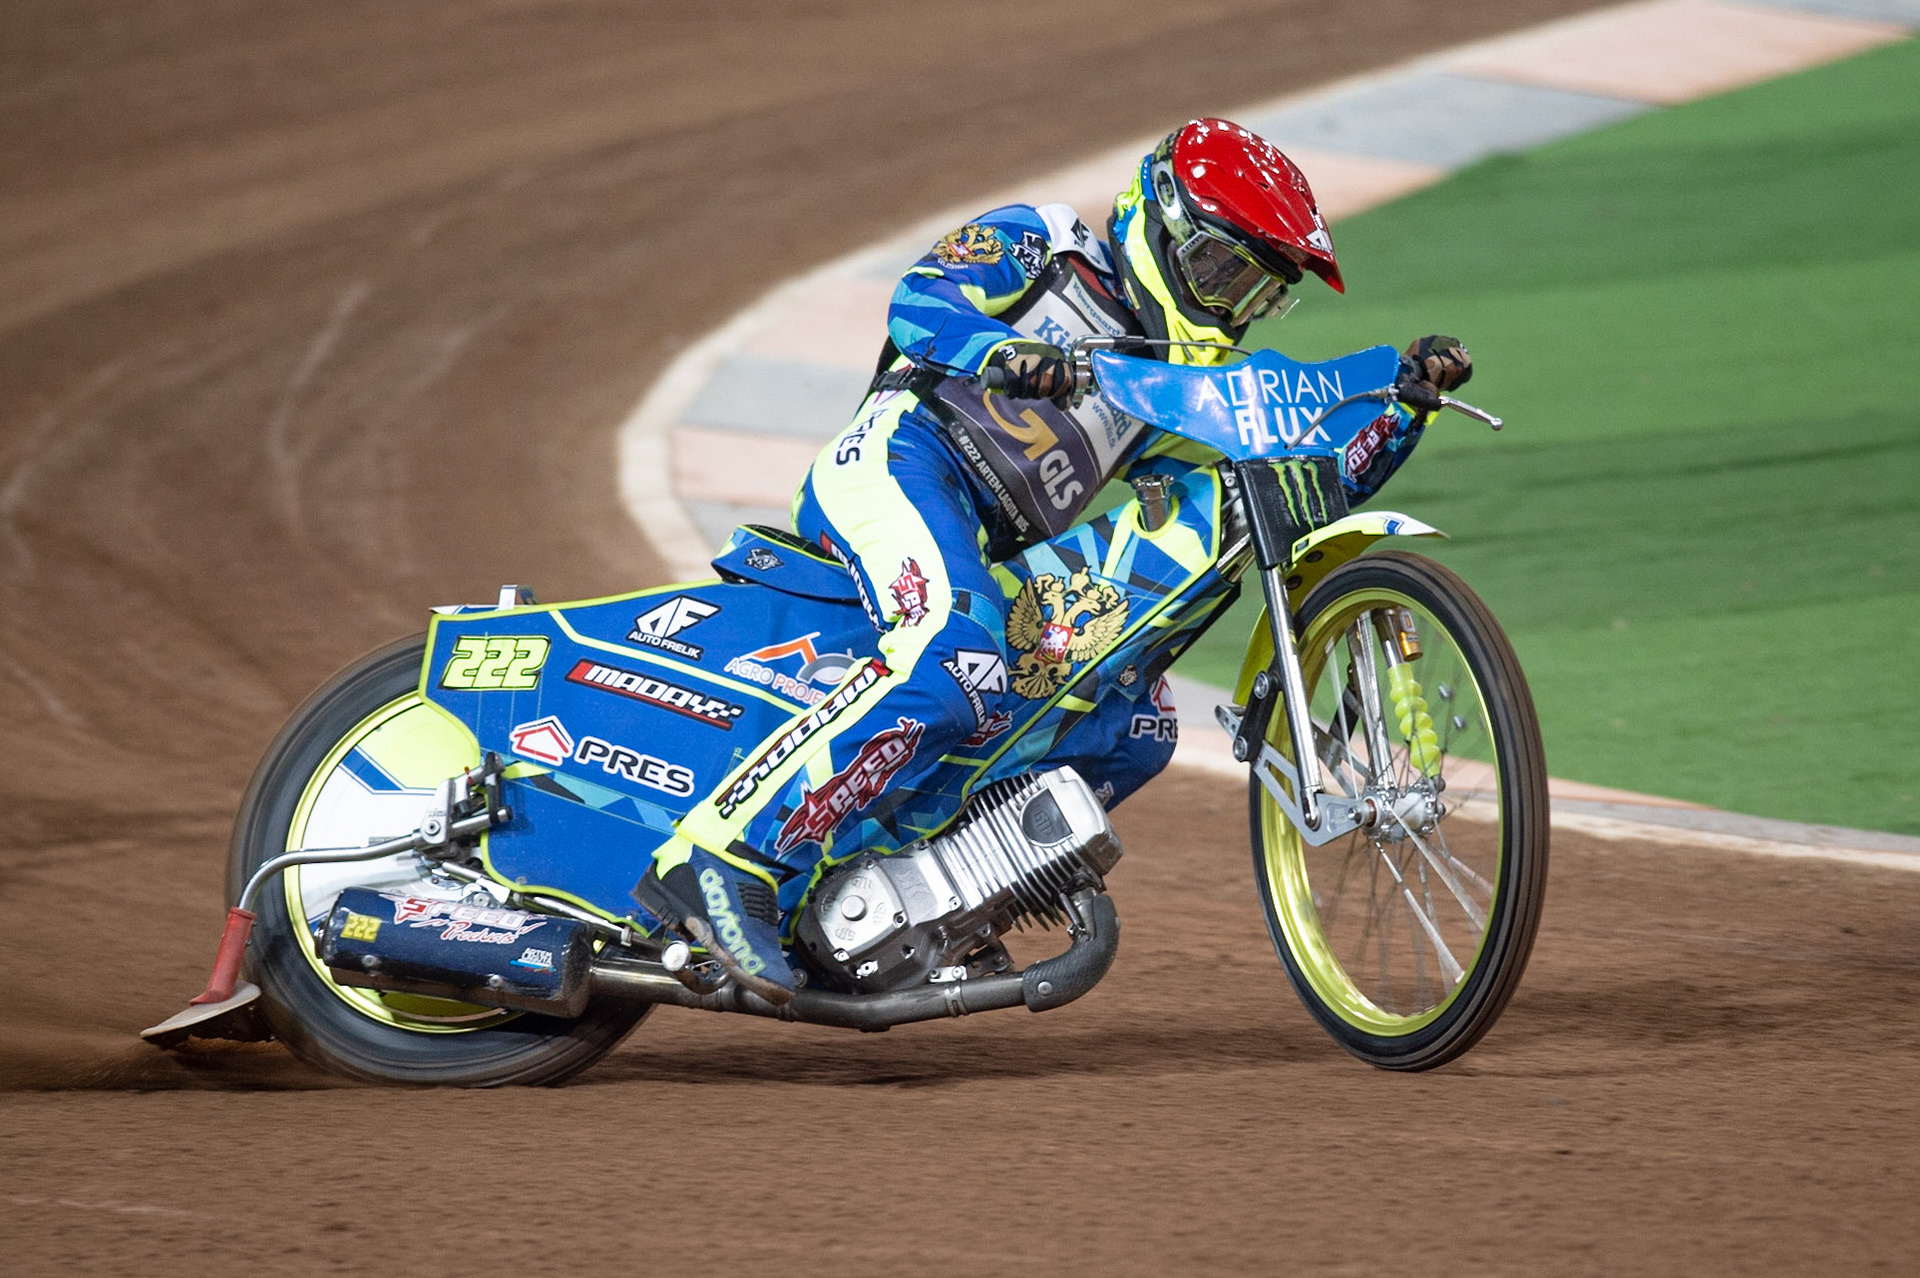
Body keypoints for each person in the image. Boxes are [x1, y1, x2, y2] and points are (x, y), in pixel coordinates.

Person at [636, 118, 1474, 1002]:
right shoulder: (1047, 243)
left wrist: (1401, 408)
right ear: (1164, 227)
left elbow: (1289, 480)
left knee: (1136, 723)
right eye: (1225, 274)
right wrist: (1003, 352)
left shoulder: (1174, 383)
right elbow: (918, 303)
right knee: (958, 655)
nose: (1230, 307)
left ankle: (908, 891)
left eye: (1257, 296)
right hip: (899, 461)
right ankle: (723, 860)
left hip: (977, 543)